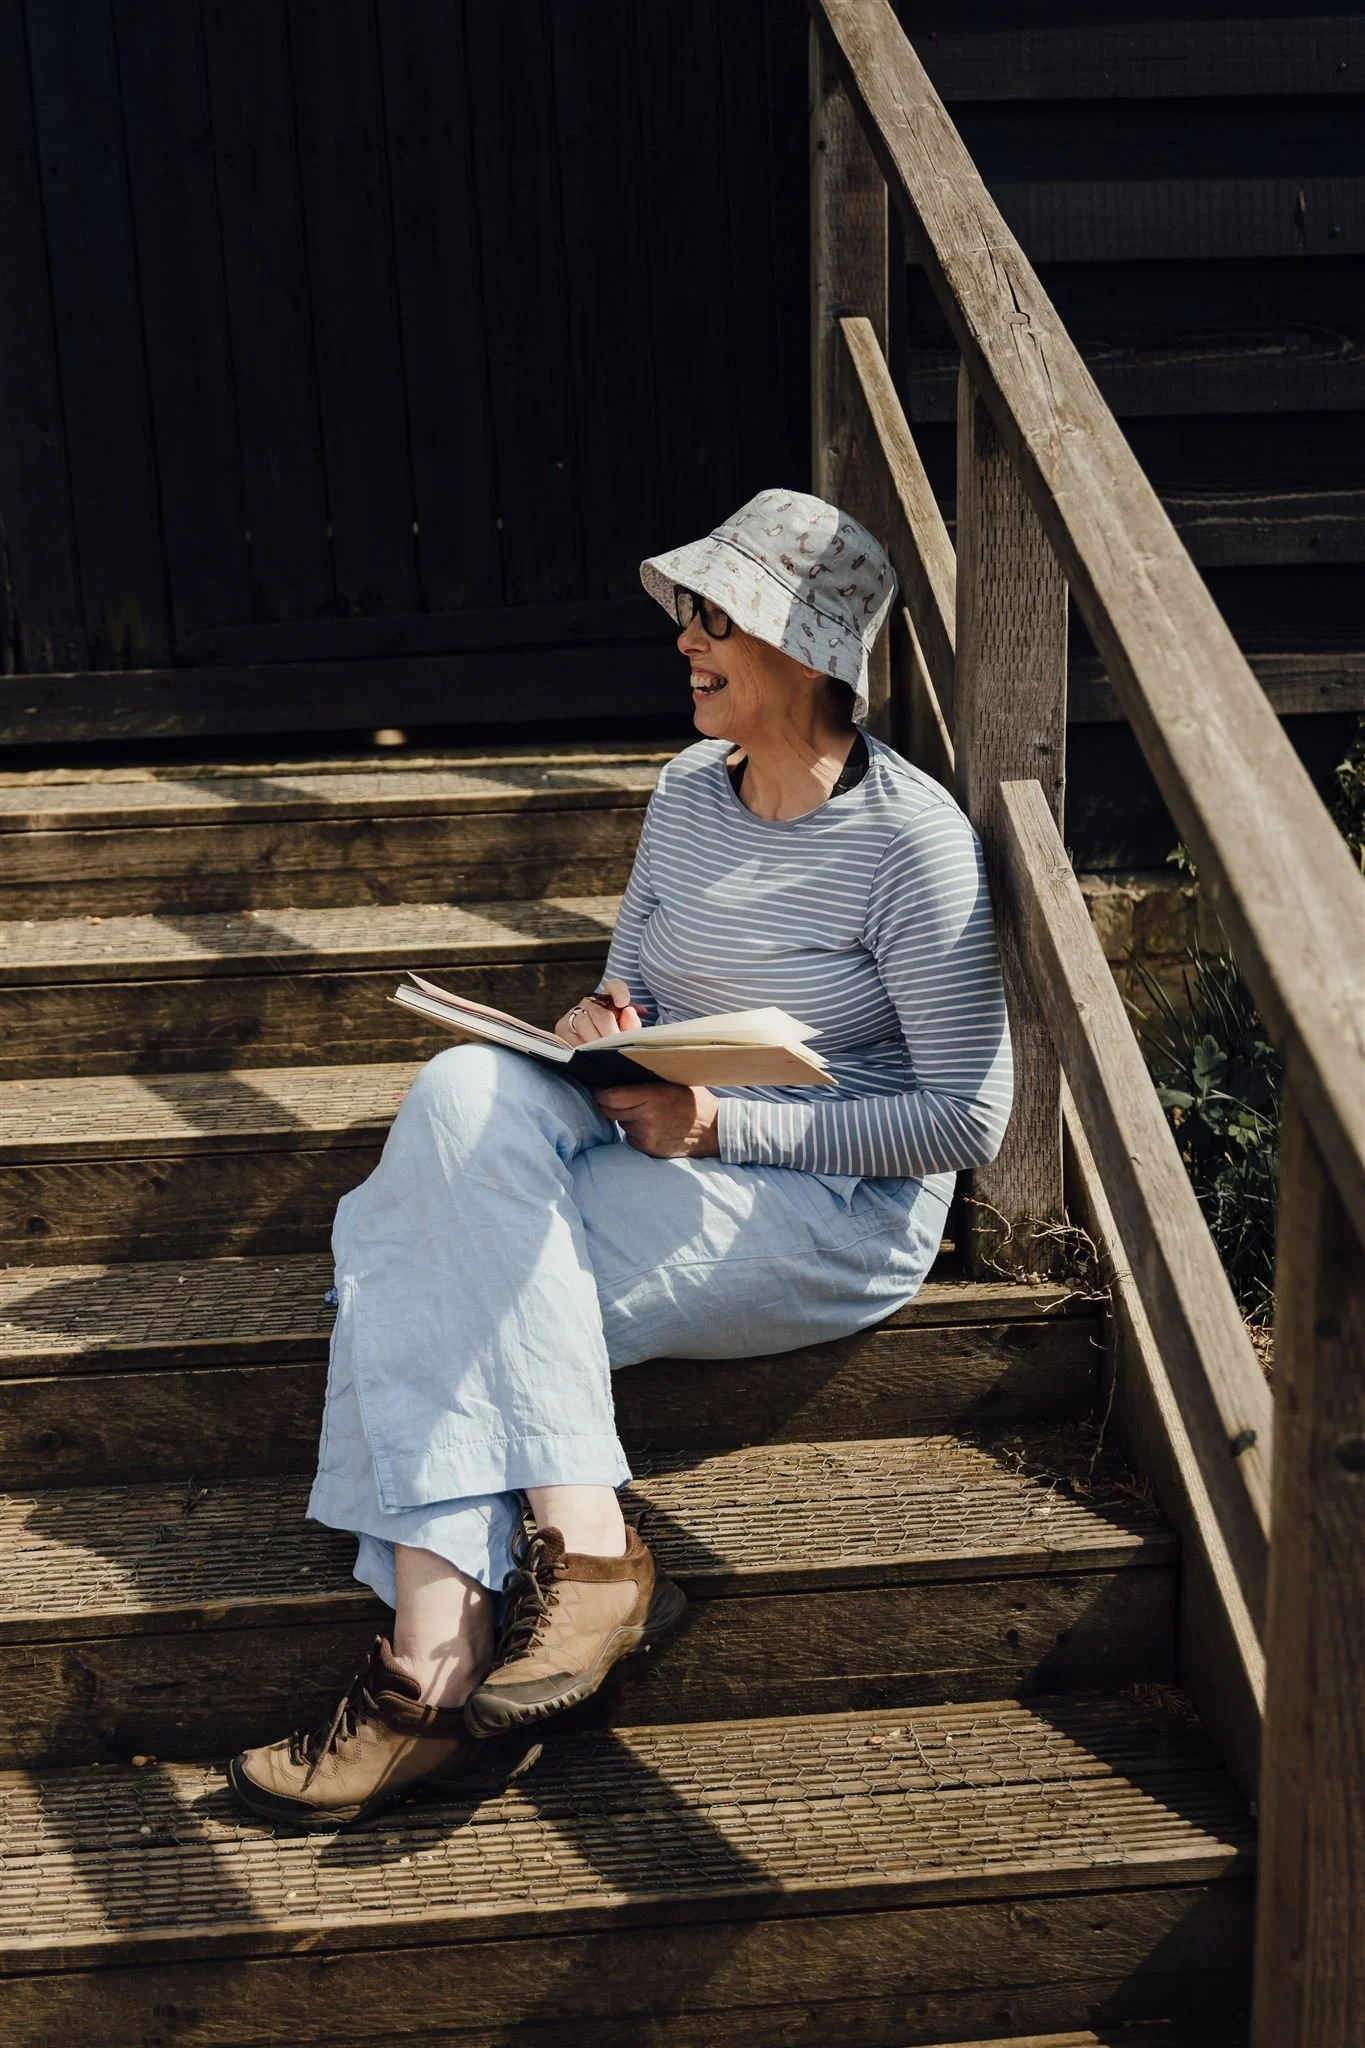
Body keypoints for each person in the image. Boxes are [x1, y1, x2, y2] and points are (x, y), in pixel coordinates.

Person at [227, 488, 1013, 1830]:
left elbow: (963, 1122)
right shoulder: (684, 795)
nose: (686, 639)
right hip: (662, 1154)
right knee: (467, 1084)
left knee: (400, 1268)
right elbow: (630, 993)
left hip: (831, 1208)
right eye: (690, 615)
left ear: (804, 648)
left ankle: (426, 1681)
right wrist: (601, 1029)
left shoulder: (913, 844)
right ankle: (581, 1548)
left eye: (718, 617)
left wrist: (726, 1125)